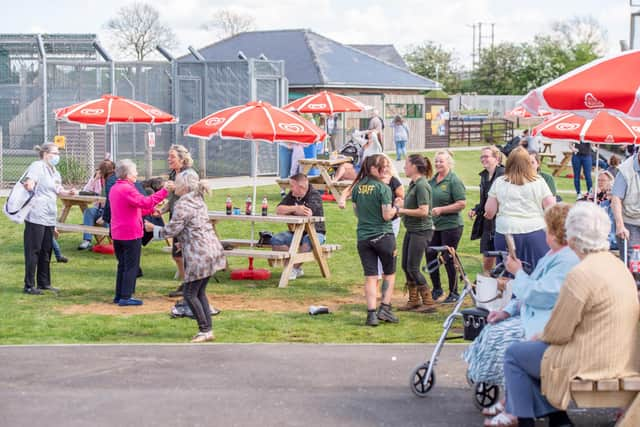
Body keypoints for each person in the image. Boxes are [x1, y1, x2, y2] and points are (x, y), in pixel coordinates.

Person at [503, 202, 640, 427]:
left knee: (515, 355)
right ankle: (558, 419)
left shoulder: (580, 274)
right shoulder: (617, 266)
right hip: (620, 355)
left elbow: (558, 332)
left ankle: (528, 421)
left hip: (591, 363)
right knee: (531, 353)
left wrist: (541, 335)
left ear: (573, 238)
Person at [464, 203, 579, 427]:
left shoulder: (567, 260)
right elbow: (531, 291)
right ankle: (526, 407)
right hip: (537, 317)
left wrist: (518, 273)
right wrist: (506, 310)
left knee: (508, 343)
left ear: (554, 231)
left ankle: (516, 408)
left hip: (548, 323)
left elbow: (541, 295)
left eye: (546, 227)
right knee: (494, 328)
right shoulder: (553, 255)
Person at [145, 171, 225, 343]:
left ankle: (204, 329)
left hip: (199, 253)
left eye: (176, 182)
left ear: (184, 187)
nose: (173, 185)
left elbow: (172, 230)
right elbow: (193, 226)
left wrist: (153, 229)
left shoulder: (183, 203)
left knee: (189, 293)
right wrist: (184, 240)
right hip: (211, 249)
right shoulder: (198, 199)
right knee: (199, 291)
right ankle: (207, 330)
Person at [109, 159, 171, 306]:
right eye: (135, 171)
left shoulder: (115, 188)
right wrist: (164, 191)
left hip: (118, 232)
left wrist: (151, 210)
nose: (137, 173)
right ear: (128, 174)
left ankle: (119, 295)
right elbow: (145, 202)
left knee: (122, 265)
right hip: (130, 233)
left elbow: (134, 207)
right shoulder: (127, 189)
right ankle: (126, 296)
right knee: (131, 266)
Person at [485, 147, 556, 271]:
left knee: (507, 273)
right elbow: (551, 207)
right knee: (535, 271)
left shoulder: (500, 182)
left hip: (506, 231)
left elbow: (490, 211)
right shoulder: (538, 181)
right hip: (534, 230)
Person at [20, 142, 77, 295]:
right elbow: (30, 180)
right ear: (46, 154)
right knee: (34, 250)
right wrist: (29, 185)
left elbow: (58, 190)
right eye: (55, 153)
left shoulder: (54, 171)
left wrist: (68, 192)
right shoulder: (37, 166)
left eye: (58, 153)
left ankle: (44, 283)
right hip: (36, 215)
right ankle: (29, 285)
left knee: (46, 250)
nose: (57, 156)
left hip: (49, 216)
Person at [349, 154, 398, 326]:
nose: (384, 169)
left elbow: (356, 213)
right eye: (381, 166)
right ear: (372, 168)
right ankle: (385, 308)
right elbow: (387, 216)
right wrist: (396, 207)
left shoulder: (357, 187)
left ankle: (371, 314)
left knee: (370, 276)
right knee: (389, 274)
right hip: (383, 236)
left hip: (363, 238)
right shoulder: (383, 188)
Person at [395, 154, 436, 313]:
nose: (404, 167)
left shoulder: (422, 185)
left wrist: (401, 210)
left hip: (421, 231)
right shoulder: (413, 184)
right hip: (412, 229)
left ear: (414, 167)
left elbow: (424, 211)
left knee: (413, 267)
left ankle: (429, 301)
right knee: (406, 266)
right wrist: (400, 205)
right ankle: (414, 300)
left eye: (406, 164)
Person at [426, 150, 466, 303]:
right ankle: (436, 289)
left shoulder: (453, 180)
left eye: (441, 161)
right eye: (436, 161)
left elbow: (461, 203)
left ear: (449, 163)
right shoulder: (432, 180)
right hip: (434, 226)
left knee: (448, 257)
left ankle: (454, 292)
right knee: (429, 254)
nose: (438, 164)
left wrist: (442, 210)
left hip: (451, 226)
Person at [271, 173, 326, 280]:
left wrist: (290, 210)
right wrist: (295, 209)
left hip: (316, 233)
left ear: (301, 186)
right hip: (296, 233)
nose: (290, 189)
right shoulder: (292, 194)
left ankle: (293, 269)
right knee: (276, 239)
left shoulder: (314, 196)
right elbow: (278, 210)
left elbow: (307, 213)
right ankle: (293, 268)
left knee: (309, 239)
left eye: (292, 186)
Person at [161, 145, 196, 296]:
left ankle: (189, 287)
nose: (169, 159)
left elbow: (193, 194)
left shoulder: (190, 174)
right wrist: (162, 210)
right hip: (176, 217)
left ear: (182, 159)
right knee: (177, 254)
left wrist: (176, 187)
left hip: (186, 219)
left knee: (185, 253)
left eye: (172, 156)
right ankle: (185, 283)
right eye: (169, 156)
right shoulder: (172, 174)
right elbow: (173, 198)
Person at [470, 146, 505, 274]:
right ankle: (487, 281)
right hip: (487, 221)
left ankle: (497, 286)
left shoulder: (503, 175)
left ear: (496, 158)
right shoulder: (484, 175)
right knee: (487, 255)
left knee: (500, 256)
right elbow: (485, 199)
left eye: (486, 156)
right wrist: (476, 209)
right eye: (482, 157)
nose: (483, 159)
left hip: (500, 222)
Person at [77, 159, 115, 250]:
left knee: (107, 218)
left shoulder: (114, 180)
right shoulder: (97, 178)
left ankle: (114, 239)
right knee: (89, 211)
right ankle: (87, 240)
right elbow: (85, 191)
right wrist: (95, 179)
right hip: (98, 208)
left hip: (109, 210)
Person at [611, 150, 640, 261]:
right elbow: (616, 199)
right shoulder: (625, 170)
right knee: (632, 262)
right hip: (629, 222)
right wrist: (620, 225)